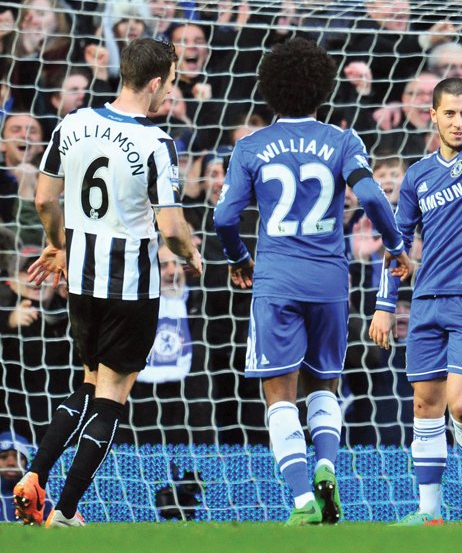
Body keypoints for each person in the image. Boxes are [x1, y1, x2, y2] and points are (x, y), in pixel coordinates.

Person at [213, 37, 411, 526]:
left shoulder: (250, 147)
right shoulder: (342, 141)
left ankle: (302, 500)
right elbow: (371, 197)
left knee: (279, 395)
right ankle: (326, 465)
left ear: (269, 91)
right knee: (325, 385)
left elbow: (223, 216)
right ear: (322, 89)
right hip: (330, 282)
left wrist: (239, 257)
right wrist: (395, 245)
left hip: (276, 280)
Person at [15, 37, 203, 527]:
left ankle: (34, 476)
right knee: (112, 395)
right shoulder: (156, 144)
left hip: (81, 280)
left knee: (88, 382)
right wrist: (191, 254)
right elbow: (171, 228)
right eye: (172, 83)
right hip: (131, 287)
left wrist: (59, 244)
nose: (170, 95)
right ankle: (67, 511)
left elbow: (42, 199)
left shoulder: (72, 123)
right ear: (158, 82)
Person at [369, 52, 462, 526]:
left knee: (461, 404)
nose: (458, 121)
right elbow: (397, 243)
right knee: (425, 407)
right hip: (428, 301)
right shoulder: (416, 176)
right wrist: (385, 306)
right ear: (432, 116)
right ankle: (429, 513)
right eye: (449, 113)